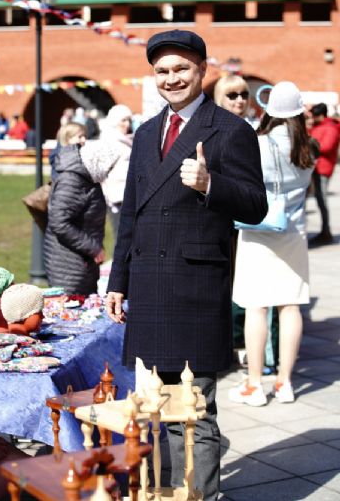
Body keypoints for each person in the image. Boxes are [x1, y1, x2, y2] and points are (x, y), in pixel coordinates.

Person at [106, 29, 268, 501]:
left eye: (181, 68)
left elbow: (256, 205)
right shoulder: (145, 133)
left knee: (195, 409)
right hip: (148, 285)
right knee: (156, 408)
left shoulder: (231, 130)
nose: (171, 78)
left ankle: (201, 495)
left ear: (202, 69)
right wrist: (117, 281)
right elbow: (132, 213)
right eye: (162, 71)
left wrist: (210, 183)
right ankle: (166, 490)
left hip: (195, 287)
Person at [229, 81, 315, 407]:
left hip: (258, 230)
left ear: (269, 109)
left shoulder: (258, 143)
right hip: (294, 231)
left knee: (256, 306)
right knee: (290, 306)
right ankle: (285, 382)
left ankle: (254, 384)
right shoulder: (308, 146)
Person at [214, 74, 278, 372]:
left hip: (255, 220)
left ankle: (246, 344)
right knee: (225, 282)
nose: (239, 100)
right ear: (220, 98)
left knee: (249, 286)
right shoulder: (213, 130)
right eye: (232, 95)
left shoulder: (258, 130)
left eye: (243, 94)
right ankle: (227, 343)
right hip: (223, 219)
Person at [43, 139, 120, 296]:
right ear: (97, 162)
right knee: (71, 305)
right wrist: (93, 248)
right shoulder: (72, 181)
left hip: (82, 259)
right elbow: (59, 222)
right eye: (108, 168)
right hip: (67, 263)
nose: (107, 173)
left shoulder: (86, 178)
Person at [309, 102, 340, 246]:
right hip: (316, 167)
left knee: (322, 199)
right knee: (319, 199)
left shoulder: (331, 128)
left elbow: (326, 146)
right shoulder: (318, 126)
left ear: (320, 115)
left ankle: (326, 231)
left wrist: (309, 144)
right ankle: (324, 230)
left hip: (323, 168)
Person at [100, 104, 133, 240]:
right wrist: (109, 195)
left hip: (129, 194)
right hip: (117, 197)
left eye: (129, 120)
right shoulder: (110, 141)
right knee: (121, 237)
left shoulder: (125, 139)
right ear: (115, 121)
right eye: (123, 120)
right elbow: (101, 171)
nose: (127, 124)